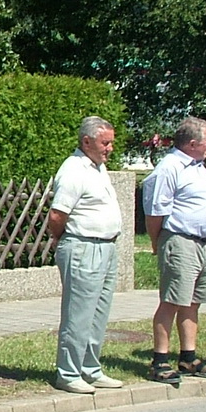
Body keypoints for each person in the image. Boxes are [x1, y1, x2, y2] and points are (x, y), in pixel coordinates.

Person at [44, 116, 126, 394]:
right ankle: (68, 373)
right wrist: (63, 240)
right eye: (105, 142)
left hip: (106, 247)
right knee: (78, 314)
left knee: (98, 313)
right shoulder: (73, 170)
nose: (110, 148)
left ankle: (90, 368)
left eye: (111, 142)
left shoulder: (97, 168)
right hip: (83, 247)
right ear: (87, 141)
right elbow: (57, 214)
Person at [142, 116, 206, 382]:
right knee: (173, 300)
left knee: (193, 302)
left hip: (202, 243)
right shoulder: (170, 167)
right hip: (180, 240)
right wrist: (158, 242)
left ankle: (188, 357)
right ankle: (160, 361)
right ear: (192, 143)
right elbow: (155, 212)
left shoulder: (199, 168)